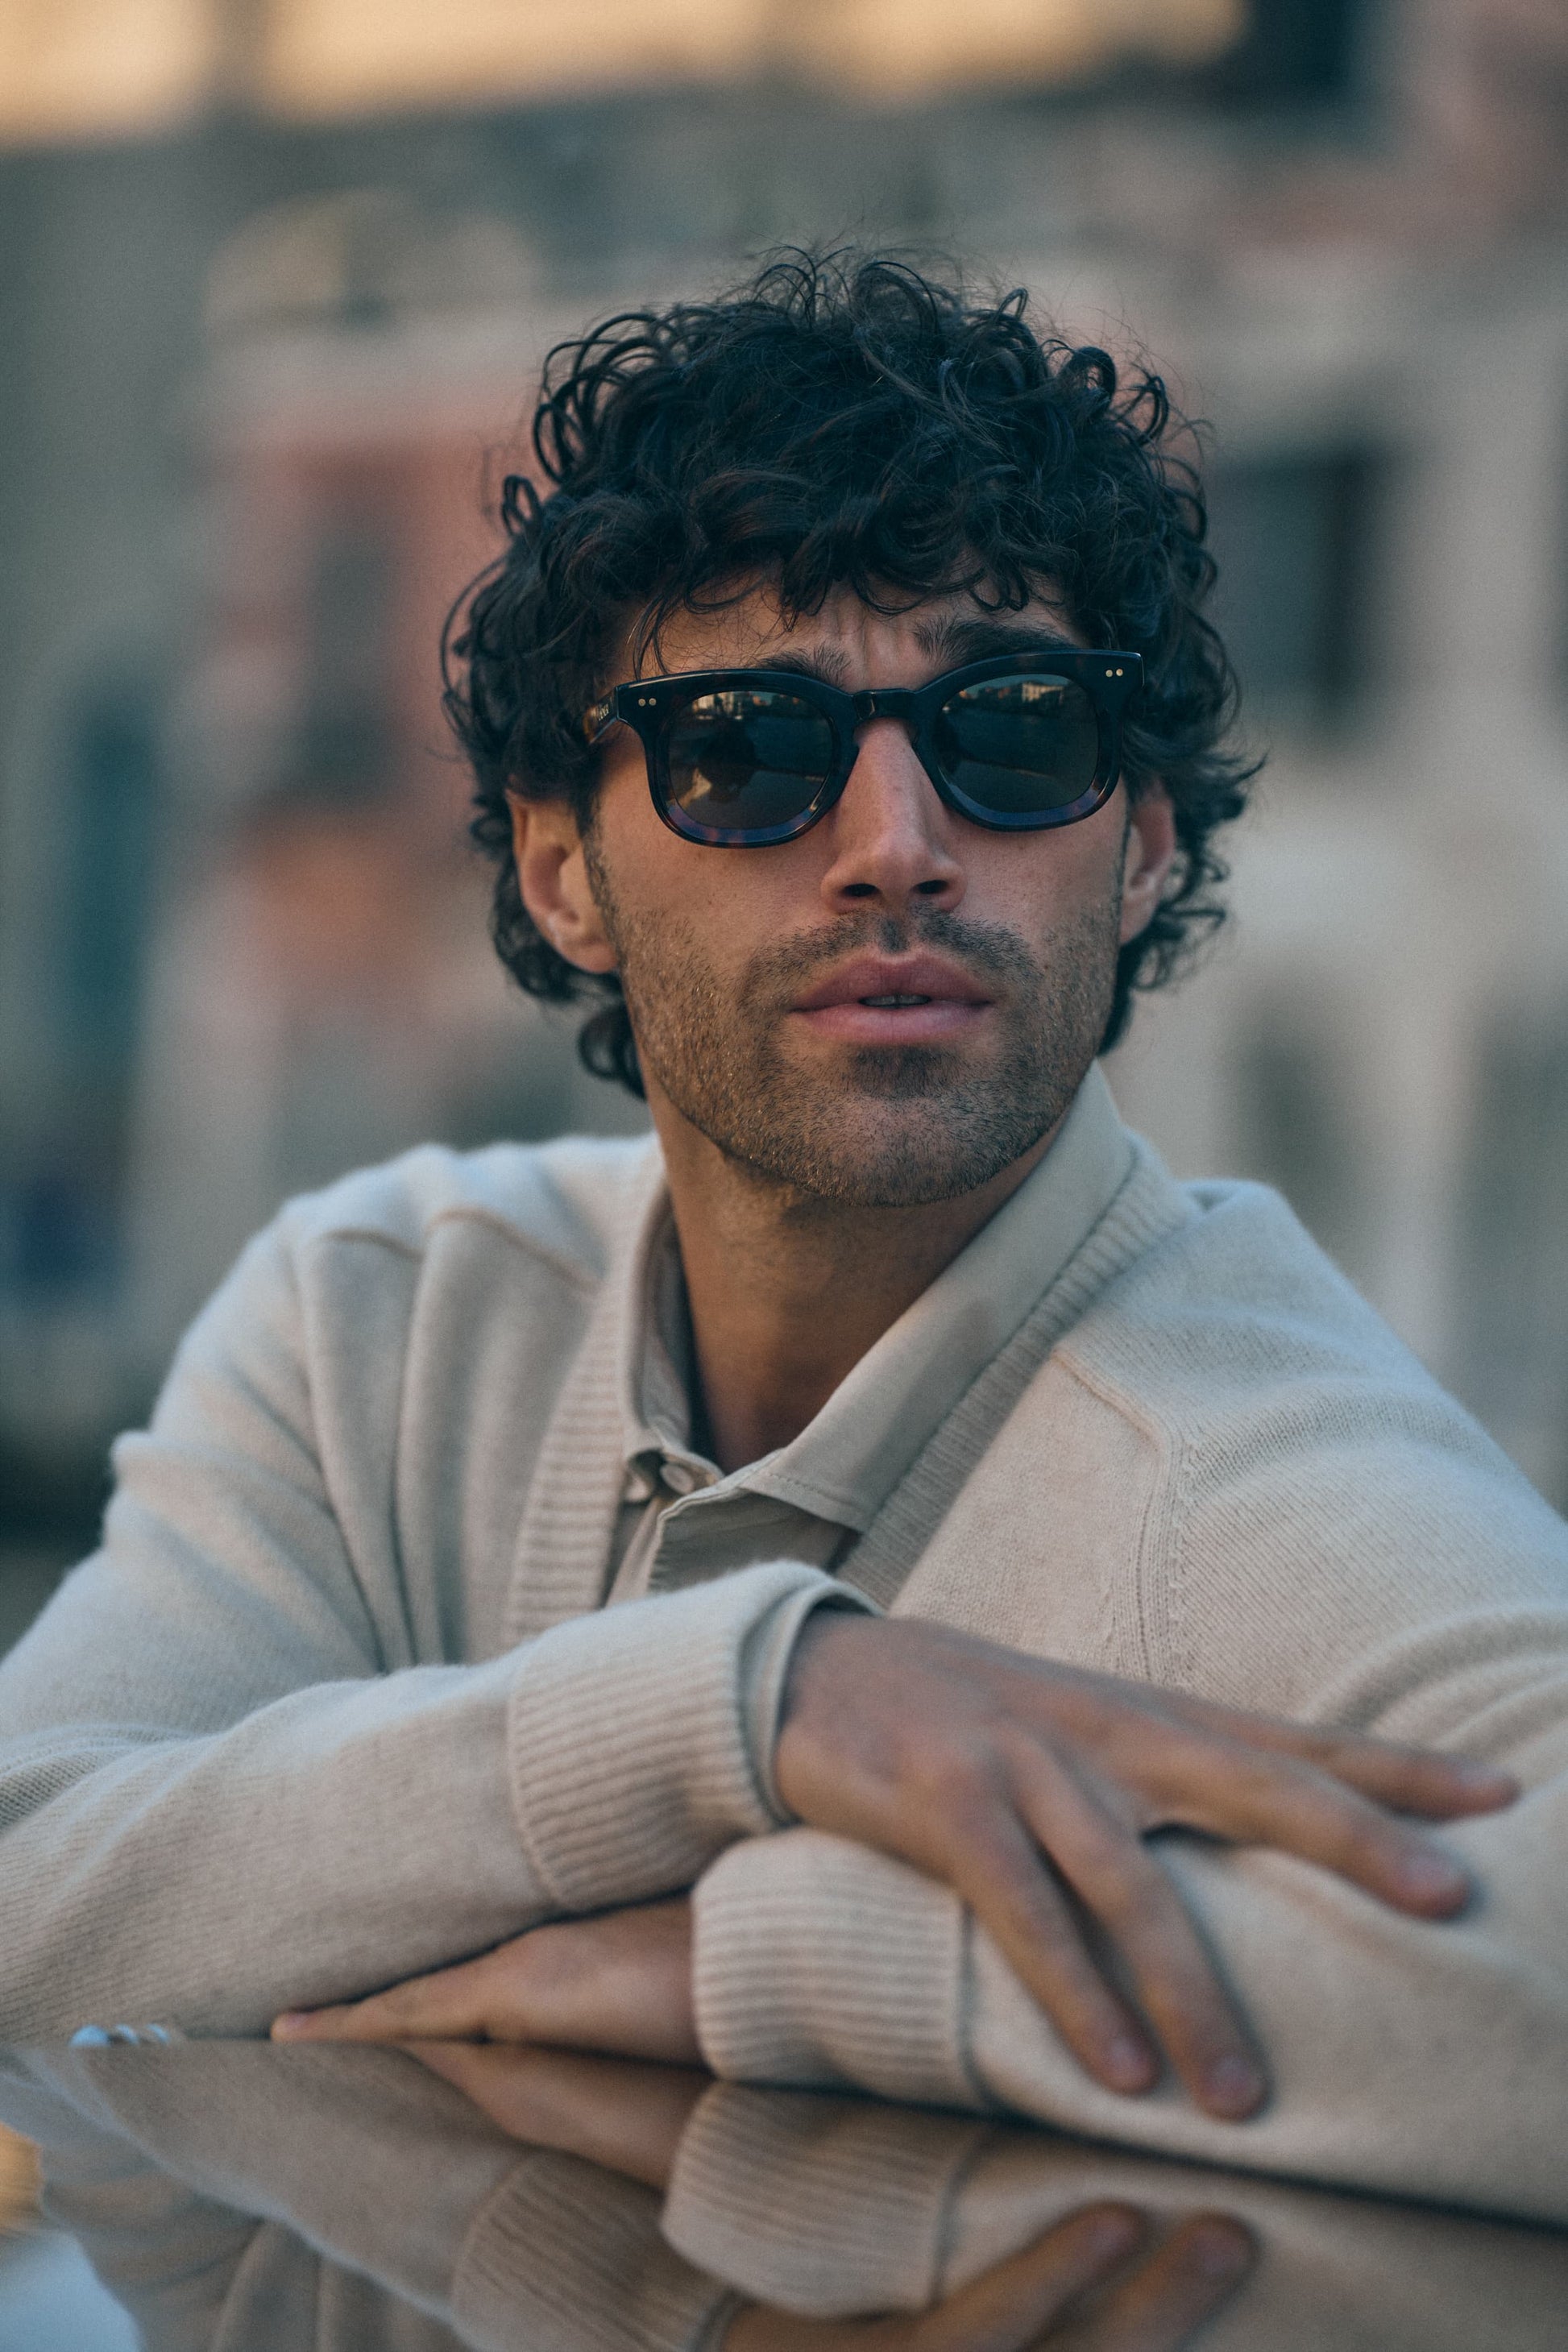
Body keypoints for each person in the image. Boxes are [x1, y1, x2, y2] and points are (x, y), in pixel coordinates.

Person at [2, 254, 1565, 2214]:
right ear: (564, 868)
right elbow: (30, 1869)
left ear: (1141, 844)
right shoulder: (378, 1319)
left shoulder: (1277, 1473)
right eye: (746, 745)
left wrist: (767, 1975)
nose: (896, 841)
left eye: (1013, 730)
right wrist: (763, 1705)